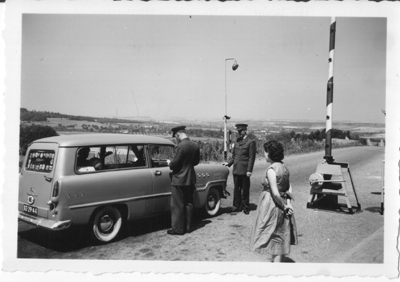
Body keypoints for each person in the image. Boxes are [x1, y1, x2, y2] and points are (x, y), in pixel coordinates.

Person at [249, 140, 298, 262]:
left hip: (272, 204)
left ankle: (275, 266)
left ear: (270, 153)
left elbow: (275, 193)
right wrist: (288, 203)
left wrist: (284, 205)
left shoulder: (271, 170)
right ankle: (277, 262)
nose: (264, 154)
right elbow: (289, 187)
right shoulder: (284, 167)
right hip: (283, 202)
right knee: (280, 233)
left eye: (265, 152)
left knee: (269, 231)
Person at [167, 125, 200, 235]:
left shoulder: (180, 147)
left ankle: (178, 229)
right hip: (190, 179)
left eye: (175, 137)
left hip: (179, 180)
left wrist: (169, 163)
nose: (176, 139)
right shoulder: (195, 145)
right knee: (189, 203)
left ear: (177, 134)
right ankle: (188, 227)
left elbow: (174, 164)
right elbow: (196, 162)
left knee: (178, 205)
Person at [223, 124, 256, 214]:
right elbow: (234, 156)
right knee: (236, 188)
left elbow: (251, 158)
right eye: (238, 131)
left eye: (240, 131)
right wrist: (228, 163)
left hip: (245, 170)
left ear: (245, 131)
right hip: (237, 169)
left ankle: (246, 206)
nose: (239, 133)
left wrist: (249, 170)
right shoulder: (237, 141)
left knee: (245, 189)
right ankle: (236, 206)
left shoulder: (250, 142)